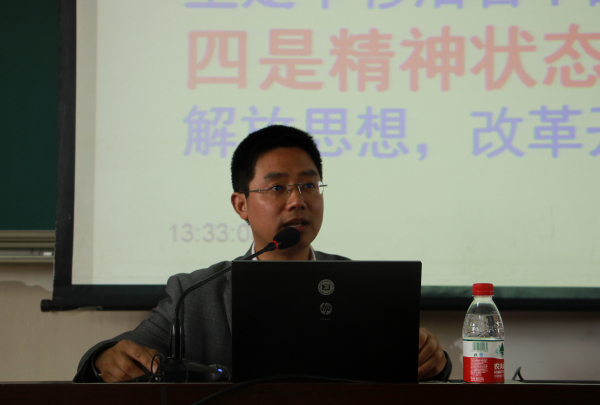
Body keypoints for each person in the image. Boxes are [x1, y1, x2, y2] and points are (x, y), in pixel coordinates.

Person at [74, 125, 450, 382]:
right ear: (241, 205)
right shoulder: (196, 295)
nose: (297, 200)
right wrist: (104, 359)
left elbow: (411, 368)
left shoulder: (361, 285)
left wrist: (434, 359)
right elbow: (116, 355)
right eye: (277, 188)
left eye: (309, 185)